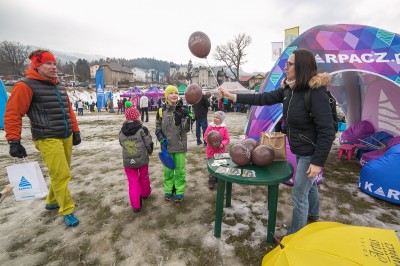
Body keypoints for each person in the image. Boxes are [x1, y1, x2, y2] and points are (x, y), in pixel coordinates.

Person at [219, 48, 335, 235]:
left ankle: (295, 236)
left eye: (289, 64)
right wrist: (233, 96)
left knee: (299, 194)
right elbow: (262, 98)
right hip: (300, 148)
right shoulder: (289, 89)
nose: (285, 67)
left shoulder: (316, 92)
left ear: (302, 67)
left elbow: (327, 131)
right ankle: (314, 214)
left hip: (310, 152)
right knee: (309, 184)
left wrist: (317, 162)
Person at [4, 49, 82, 227]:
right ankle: (67, 209)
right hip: (46, 137)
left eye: (54, 63)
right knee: (62, 174)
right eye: (48, 63)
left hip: (65, 135)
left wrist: (75, 131)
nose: (53, 67)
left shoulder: (58, 85)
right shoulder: (25, 85)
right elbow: (13, 113)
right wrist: (13, 140)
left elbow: (69, 110)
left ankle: (52, 201)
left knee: (59, 172)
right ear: (37, 66)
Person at [155, 85, 191, 203]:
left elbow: (186, 130)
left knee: (180, 170)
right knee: (168, 171)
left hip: (180, 146)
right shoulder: (161, 111)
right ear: (166, 96)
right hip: (166, 148)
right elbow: (157, 128)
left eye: (176, 93)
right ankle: (169, 190)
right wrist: (160, 137)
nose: (174, 95)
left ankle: (179, 191)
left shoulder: (183, 110)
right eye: (171, 93)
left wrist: (190, 119)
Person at [119, 101, 153, 212]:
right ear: (137, 116)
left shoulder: (122, 131)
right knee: (143, 176)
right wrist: (149, 151)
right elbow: (148, 142)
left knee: (132, 181)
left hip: (128, 161)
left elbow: (121, 143)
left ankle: (136, 205)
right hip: (142, 159)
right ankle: (145, 193)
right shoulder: (142, 129)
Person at [203, 111, 230, 189]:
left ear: (221, 119)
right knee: (212, 166)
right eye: (214, 117)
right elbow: (205, 136)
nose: (215, 119)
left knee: (220, 165)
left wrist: (222, 144)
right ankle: (211, 181)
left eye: (217, 117)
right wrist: (209, 142)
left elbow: (227, 139)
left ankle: (219, 179)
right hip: (210, 151)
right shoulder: (210, 127)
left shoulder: (224, 128)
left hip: (220, 151)